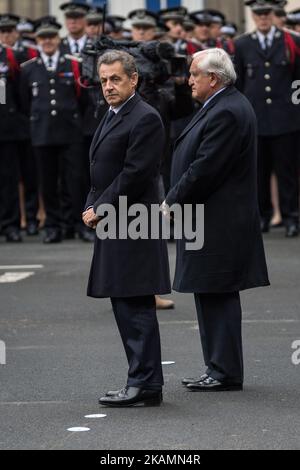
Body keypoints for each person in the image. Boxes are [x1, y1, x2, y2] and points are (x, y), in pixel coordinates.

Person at [163, 48, 270, 392]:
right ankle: (218, 367)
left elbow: (206, 168)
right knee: (210, 293)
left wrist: (172, 199)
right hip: (211, 219)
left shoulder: (227, 110)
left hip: (219, 221)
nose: (189, 80)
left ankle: (224, 371)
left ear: (214, 78)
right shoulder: (221, 104)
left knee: (217, 294)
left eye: (195, 74)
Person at [83, 50, 171, 407]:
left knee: (135, 304)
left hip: (133, 223)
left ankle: (146, 384)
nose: (108, 86)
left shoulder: (145, 117)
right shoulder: (113, 113)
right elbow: (99, 165)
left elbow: (135, 174)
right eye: (103, 80)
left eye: (115, 78)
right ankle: (141, 380)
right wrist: (93, 203)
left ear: (134, 79)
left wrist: (100, 207)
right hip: (115, 220)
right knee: (124, 302)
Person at [235, 0, 300, 237]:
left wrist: (296, 110)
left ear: (273, 14)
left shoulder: (291, 40)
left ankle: (291, 216)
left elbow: (298, 80)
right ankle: (262, 216)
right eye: (258, 14)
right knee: (258, 172)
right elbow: (239, 82)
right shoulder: (242, 44)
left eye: (266, 14)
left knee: (287, 172)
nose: (263, 18)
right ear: (253, 16)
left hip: (286, 119)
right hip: (256, 119)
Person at [20, 18, 89, 243]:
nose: (47, 41)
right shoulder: (29, 68)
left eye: (51, 37)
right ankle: (53, 226)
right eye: (43, 38)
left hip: (70, 131)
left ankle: (80, 224)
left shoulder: (73, 64)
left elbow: (84, 99)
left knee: (76, 180)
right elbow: (23, 101)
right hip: (42, 134)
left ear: (58, 39)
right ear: (37, 41)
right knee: (48, 183)